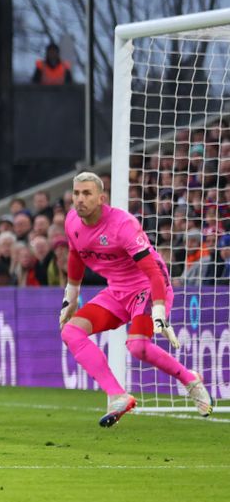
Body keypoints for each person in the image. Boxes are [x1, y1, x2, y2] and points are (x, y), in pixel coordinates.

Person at [58, 171, 211, 428]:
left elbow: (152, 270)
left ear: (101, 198)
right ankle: (117, 395)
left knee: (137, 347)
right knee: (71, 332)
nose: (80, 199)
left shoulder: (122, 224)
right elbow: (75, 255)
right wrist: (70, 297)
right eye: (76, 193)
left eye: (86, 193)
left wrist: (159, 311)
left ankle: (189, 379)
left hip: (148, 286)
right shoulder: (72, 221)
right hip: (117, 290)